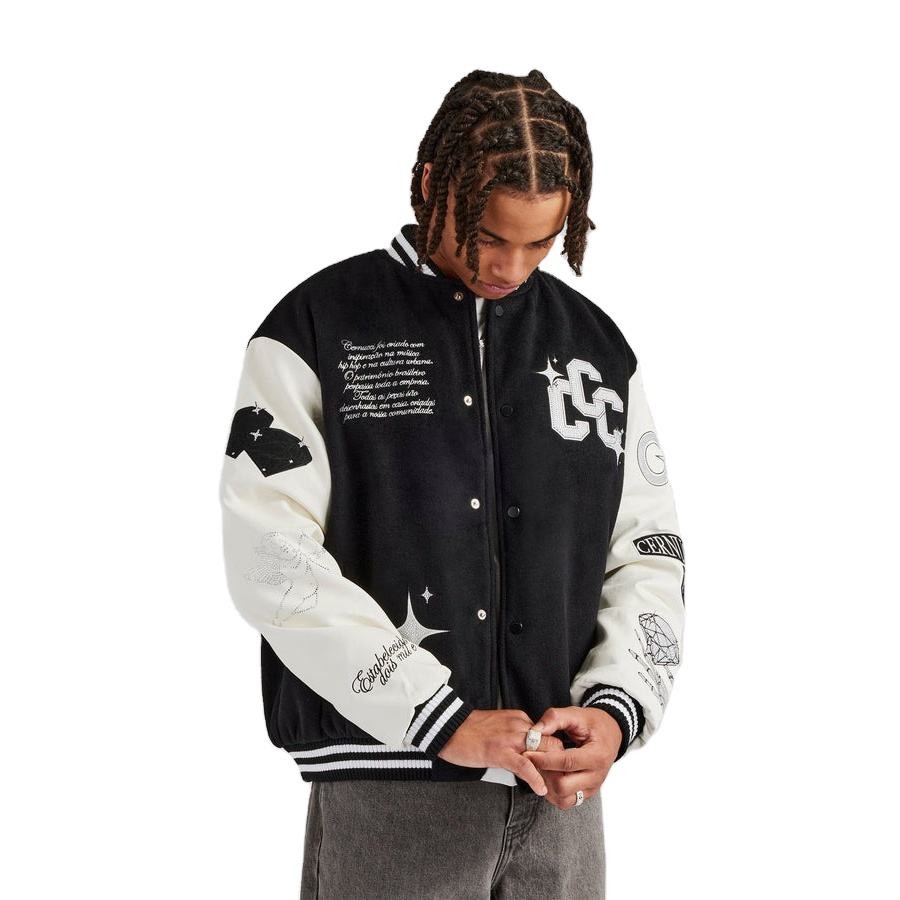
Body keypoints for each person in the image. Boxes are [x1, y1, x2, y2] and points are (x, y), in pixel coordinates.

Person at [219, 68, 685, 899]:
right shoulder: (318, 327)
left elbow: (646, 549)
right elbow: (271, 555)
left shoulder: (593, 349)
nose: (511, 266)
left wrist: (615, 709)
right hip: (391, 787)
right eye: (491, 236)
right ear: (435, 184)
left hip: (560, 799)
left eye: (541, 243)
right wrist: (434, 717)